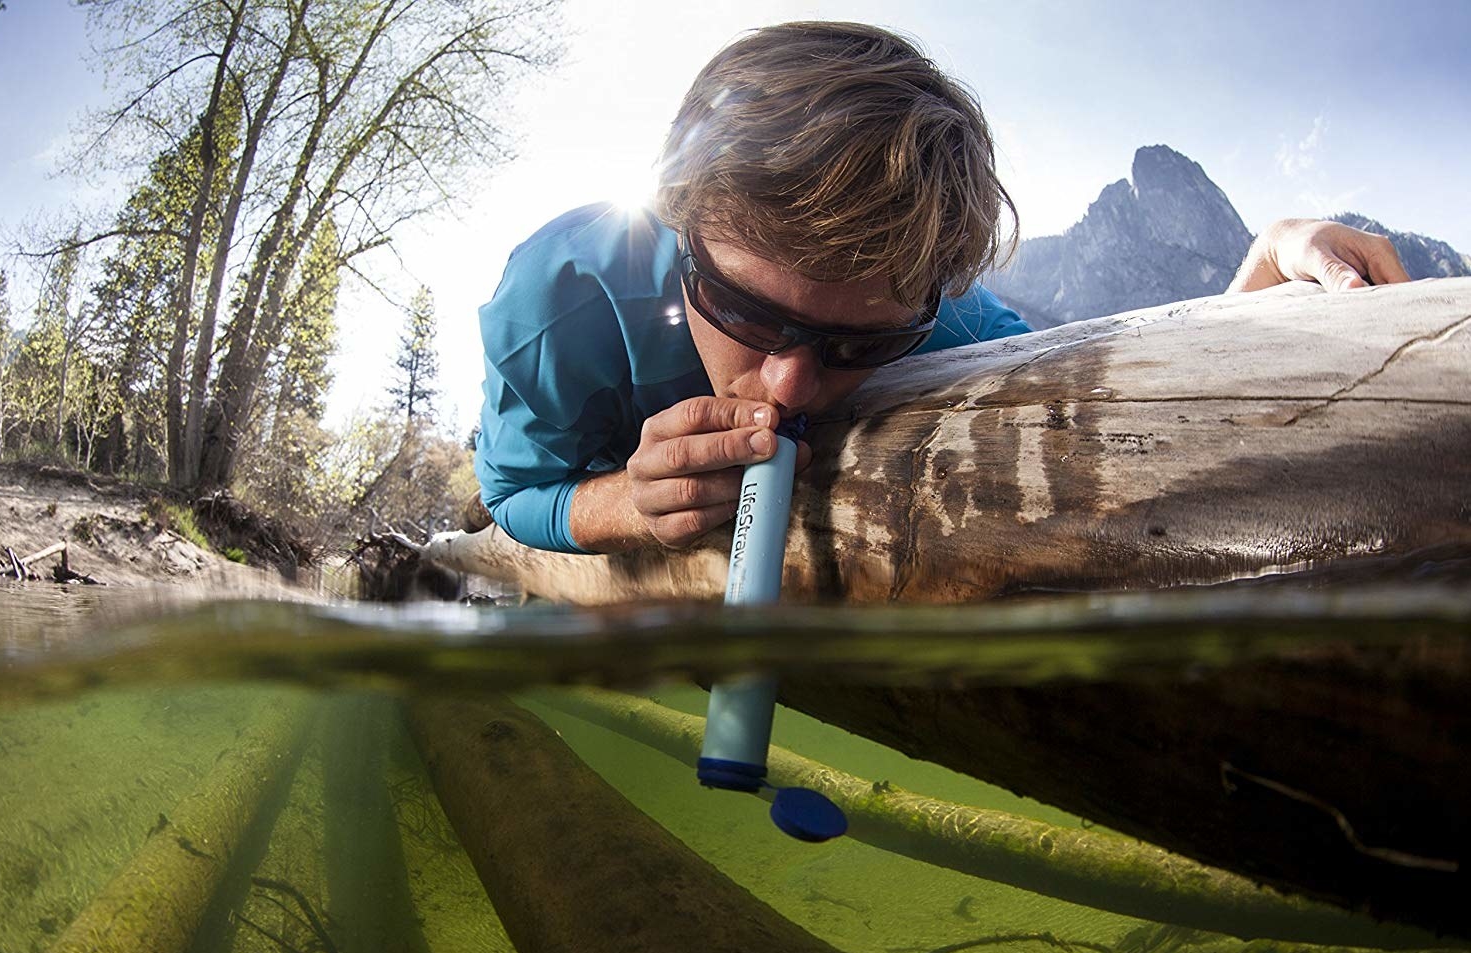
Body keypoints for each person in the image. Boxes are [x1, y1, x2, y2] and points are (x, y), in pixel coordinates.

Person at [474, 21, 1410, 556]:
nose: (793, 386)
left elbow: (1101, 370)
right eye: (749, 314)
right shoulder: (558, 300)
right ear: (679, 217)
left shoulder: (937, 316)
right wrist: (623, 506)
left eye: (858, 347)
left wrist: (1263, 268)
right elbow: (513, 489)